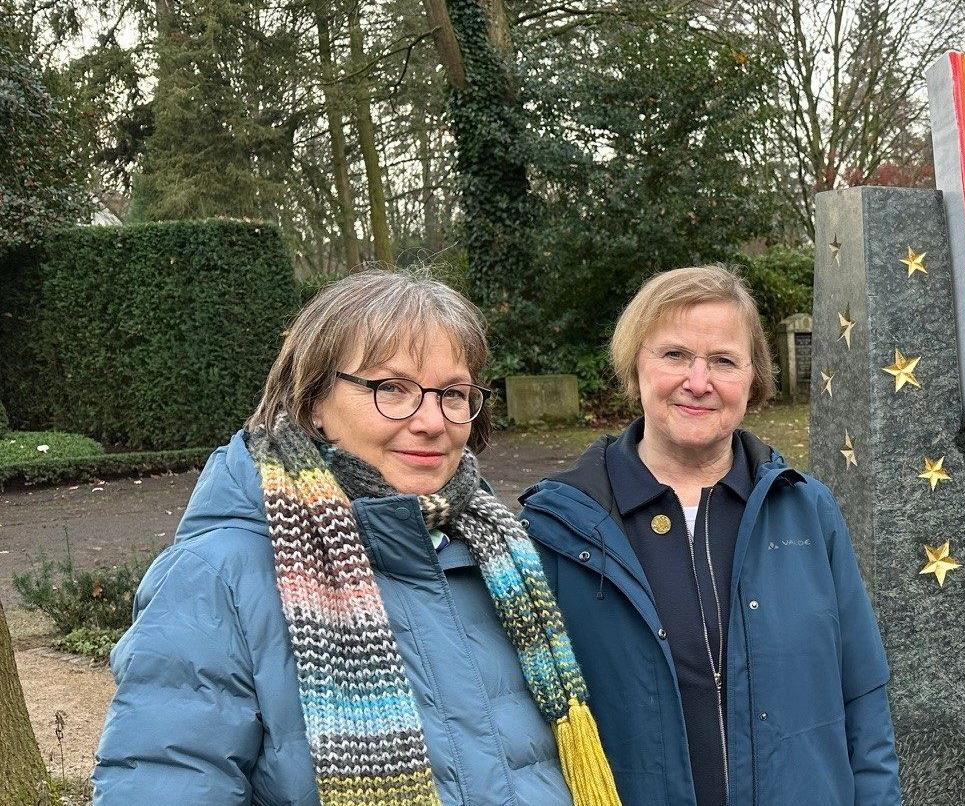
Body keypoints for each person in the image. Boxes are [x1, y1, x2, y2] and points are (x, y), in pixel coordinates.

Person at [94, 269, 620, 805]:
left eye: (454, 394)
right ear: (313, 402)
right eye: (392, 388)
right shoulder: (219, 576)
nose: (432, 421)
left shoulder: (501, 555)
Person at [519, 265, 900, 806]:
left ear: (752, 378)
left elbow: (863, 699)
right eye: (675, 355)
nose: (698, 382)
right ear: (635, 364)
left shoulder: (807, 511)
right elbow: (526, 739)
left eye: (723, 360)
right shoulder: (558, 529)